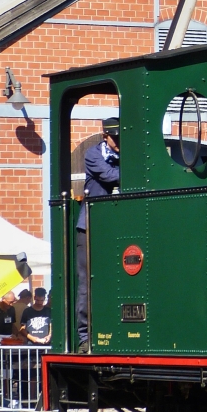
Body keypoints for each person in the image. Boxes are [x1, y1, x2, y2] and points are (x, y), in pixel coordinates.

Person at [76, 118, 120, 352]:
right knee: (86, 282)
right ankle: (84, 336)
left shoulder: (124, 156)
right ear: (105, 136)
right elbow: (110, 175)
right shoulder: (93, 154)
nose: (119, 143)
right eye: (115, 138)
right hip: (90, 225)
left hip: (115, 227)